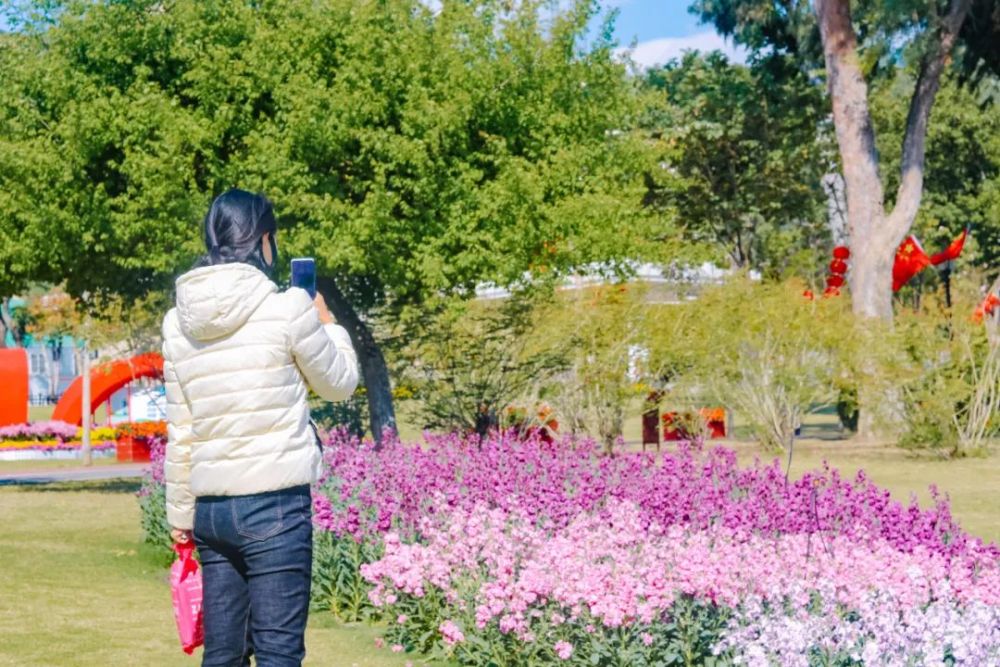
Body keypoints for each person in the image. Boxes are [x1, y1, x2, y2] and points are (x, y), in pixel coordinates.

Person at [162, 189, 359, 667]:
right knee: (277, 654)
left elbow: (182, 430)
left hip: (211, 514)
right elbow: (339, 384)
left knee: (224, 655)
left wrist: (180, 522)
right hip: (273, 507)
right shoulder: (289, 307)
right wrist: (328, 322)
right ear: (263, 241)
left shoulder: (178, 323)